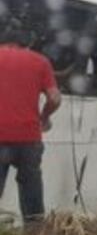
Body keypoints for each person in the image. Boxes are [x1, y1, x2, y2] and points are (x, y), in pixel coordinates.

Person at [0, 23, 62, 224]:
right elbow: (54, 98)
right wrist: (44, 117)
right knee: (31, 194)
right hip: (29, 140)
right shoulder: (40, 61)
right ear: (27, 43)